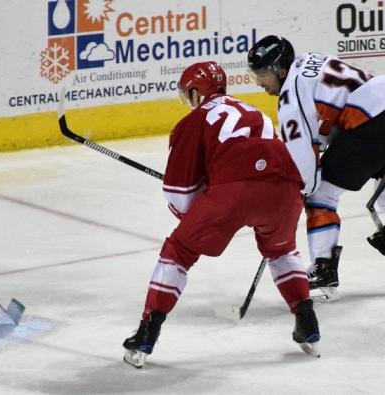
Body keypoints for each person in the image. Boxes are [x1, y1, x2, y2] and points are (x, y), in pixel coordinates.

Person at [122, 61, 320, 368]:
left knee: (179, 250)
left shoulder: (193, 122)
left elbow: (180, 197)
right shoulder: (254, 111)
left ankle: (148, 331)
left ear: (196, 93)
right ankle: (307, 322)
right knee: (282, 251)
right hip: (285, 185)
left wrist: (204, 209)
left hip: (234, 193)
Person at [247, 35, 385, 300]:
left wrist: (295, 192)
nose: (260, 83)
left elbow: (305, 171)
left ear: (280, 69)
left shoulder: (290, 97)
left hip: (371, 122)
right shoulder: (309, 63)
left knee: (320, 195)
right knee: (382, 190)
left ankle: (323, 266)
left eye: (263, 74)